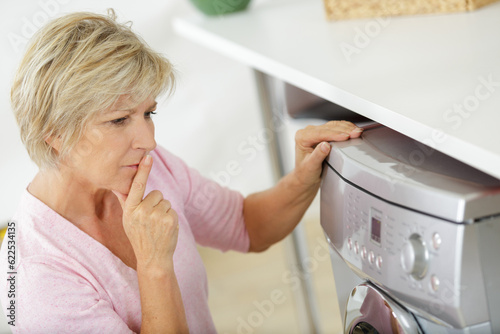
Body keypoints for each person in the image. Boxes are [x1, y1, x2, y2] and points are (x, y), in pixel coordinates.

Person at [0, 10, 363, 334]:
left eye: (148, 113)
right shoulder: (34, 276)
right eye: (119, 119)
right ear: (56, 135)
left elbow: (246, 224)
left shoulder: (146, 169)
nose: (148, 140)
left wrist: (306, 172)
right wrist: (154, 265)